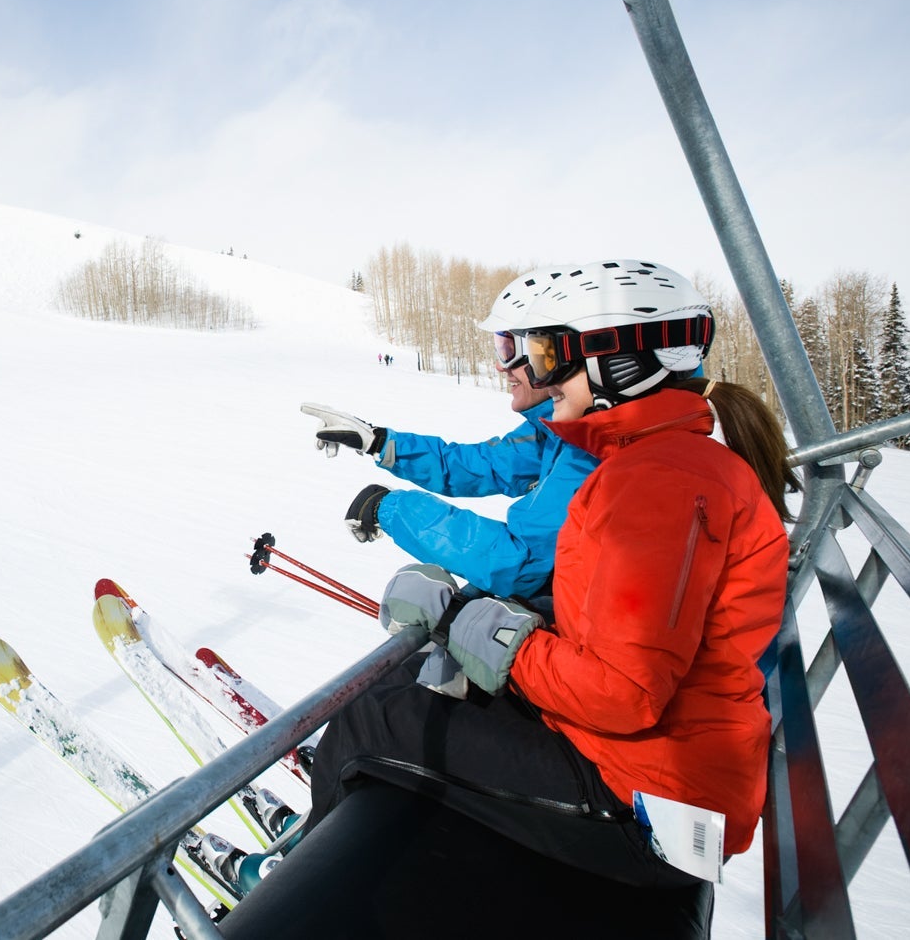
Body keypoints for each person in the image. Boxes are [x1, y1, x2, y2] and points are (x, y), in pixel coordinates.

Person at [302, 259, 795, 898]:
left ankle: (305, 890)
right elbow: (489, 474)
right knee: (415, 682)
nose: (527, 372)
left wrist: (469, 623)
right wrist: (384, 444)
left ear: (621, 362)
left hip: (649, 797)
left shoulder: (657, 485)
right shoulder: (645, 457)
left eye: (543, 352)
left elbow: (622, 690)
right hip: (638, 760)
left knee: (372, 721)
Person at [301, 265, 596, 602]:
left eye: (512, 350)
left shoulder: (587, 454)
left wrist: (392, 508)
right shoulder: (556, 433)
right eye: (501, 347)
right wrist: (378, 441)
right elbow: (480, 464)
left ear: (560, 357)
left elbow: (518, 564)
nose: (501, 366)